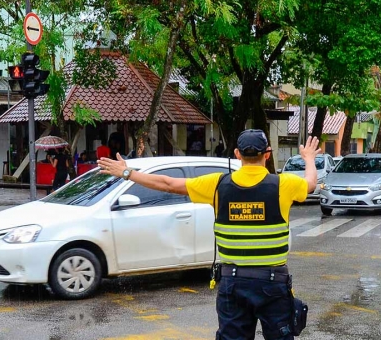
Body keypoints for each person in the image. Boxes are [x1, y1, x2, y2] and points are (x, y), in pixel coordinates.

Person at [98, 130, 320, 339]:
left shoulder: (217, 185)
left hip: (233, 282)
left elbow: (168, 184)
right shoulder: (284, 184)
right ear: (268, 154)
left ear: (237, 154)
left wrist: (127, 172)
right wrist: (308, 157)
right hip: (272, 283)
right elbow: (310, 184)